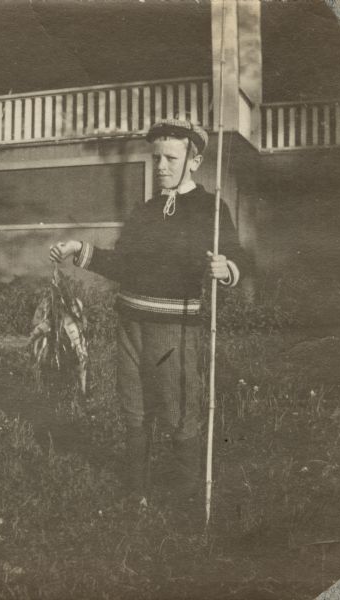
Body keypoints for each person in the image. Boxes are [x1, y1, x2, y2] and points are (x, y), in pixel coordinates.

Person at [49, 118, 248, 511]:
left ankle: (186, 496)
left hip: (175, 325)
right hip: (130, 323)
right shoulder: (145, 210)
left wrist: (226, 269)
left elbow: (237, 257)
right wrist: (79, 248)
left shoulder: (210, 207)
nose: (161, 166)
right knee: (133, 407)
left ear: (195, 160)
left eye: (171, 158)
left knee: (177, 409)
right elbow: (124, 263)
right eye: (156, 157)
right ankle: (136, 491)